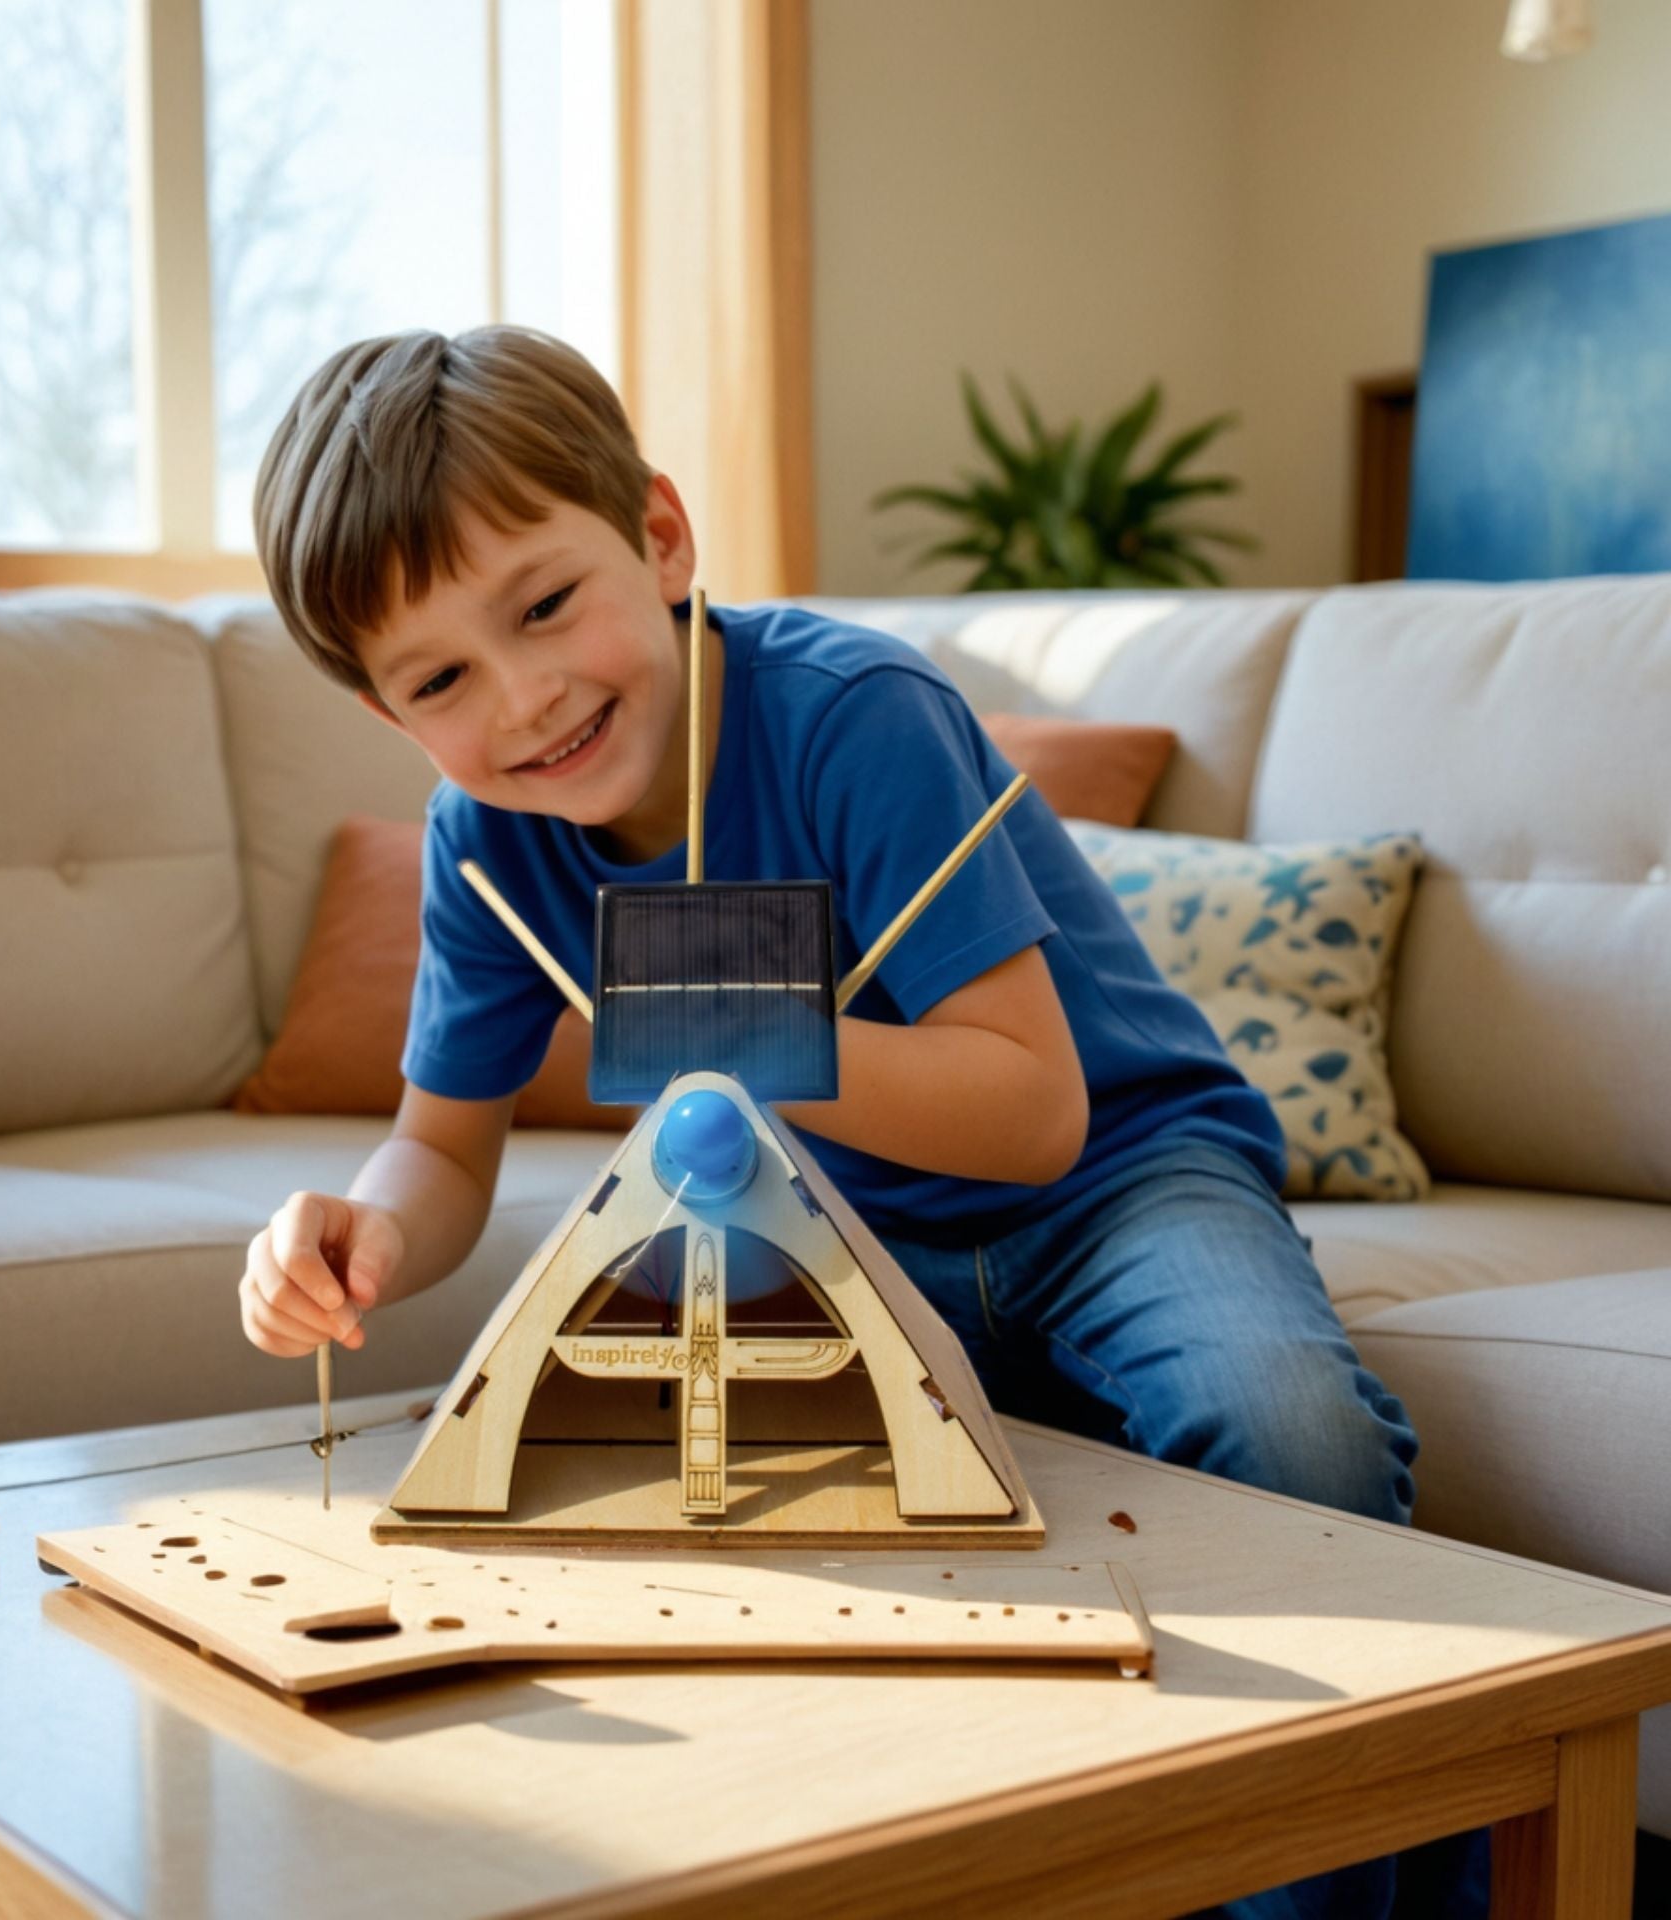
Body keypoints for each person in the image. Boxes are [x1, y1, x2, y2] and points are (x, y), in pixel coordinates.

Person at [239, 325, 1479, 1920]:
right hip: (833, 1228)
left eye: (545, 604)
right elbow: (443, 1146)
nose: (526, 695)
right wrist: (363, 1232)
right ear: (390, 717)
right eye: (441, 680)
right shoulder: (481, 846)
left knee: (1291, 1433)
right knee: (635, 1517)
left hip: (1117, 1184)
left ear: (663, 538)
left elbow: (1037, 1112)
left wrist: (744, 1031)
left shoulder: (856, 713)